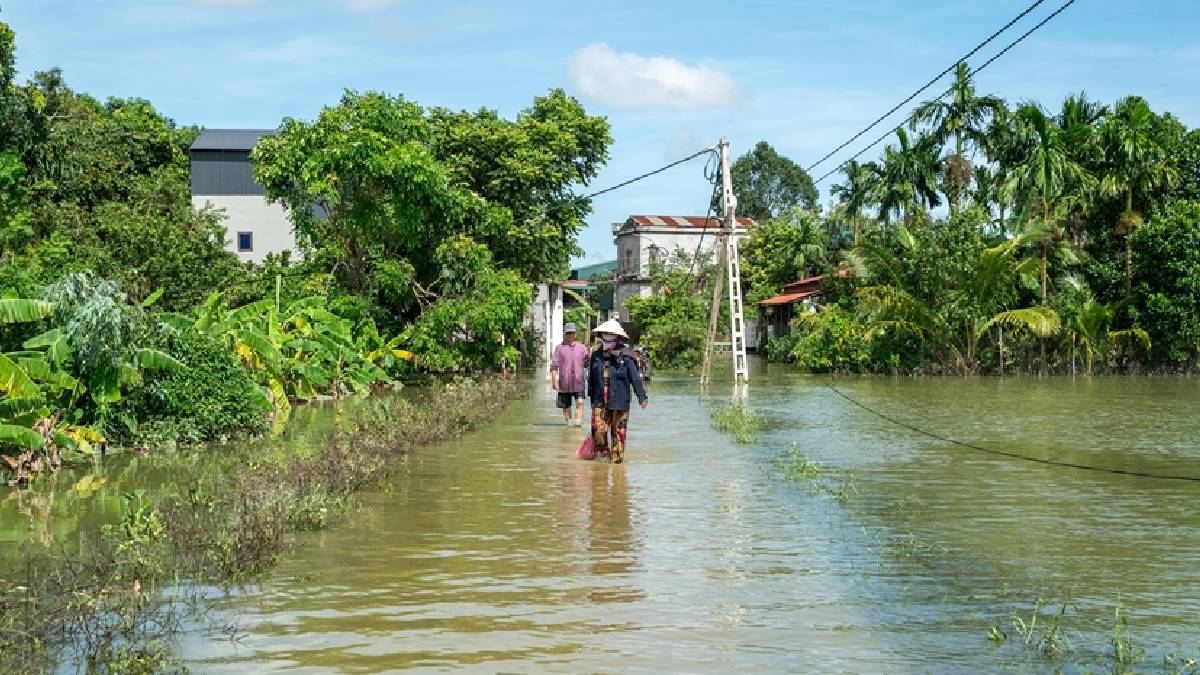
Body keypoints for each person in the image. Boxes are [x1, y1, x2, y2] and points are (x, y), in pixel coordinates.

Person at [588, 319, 648, 464]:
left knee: (618, 432)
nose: (607, 338)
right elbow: (591, 378)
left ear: (617, 337)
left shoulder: (627, 356)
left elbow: (635, 378)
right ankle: (601, 457)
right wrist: (591, 398)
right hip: (600, 400)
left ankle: (617, 462)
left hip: (620, 400)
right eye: (605, 334)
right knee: (599, 430)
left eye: (611, 335)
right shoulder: (596, 355)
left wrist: (641, 397)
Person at [550, 322, 589, 427]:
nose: (570, 335)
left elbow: (586, 364)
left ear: (575, 334)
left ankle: (577, 424)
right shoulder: (559, 348)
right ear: (565, 334)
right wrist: (553, 380)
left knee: (580, 402)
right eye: (568, 333)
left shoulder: (582, 348)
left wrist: (589, 357)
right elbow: (554, 366)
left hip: (578, 381)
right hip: (564, 382)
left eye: (572, 333)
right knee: (566, 406)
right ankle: (568, 425)